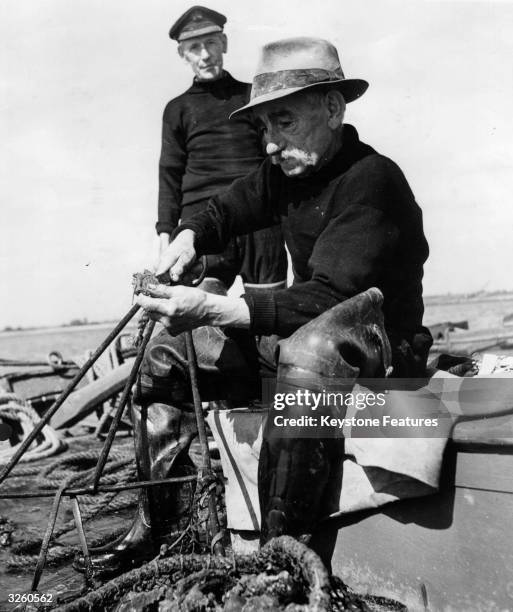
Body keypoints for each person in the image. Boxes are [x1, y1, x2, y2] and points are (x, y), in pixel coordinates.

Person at [77, 36, 432, 575]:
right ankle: (159, 530)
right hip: (303, 345)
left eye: (284, 122)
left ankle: (281, 555)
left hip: (378, 358)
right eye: (264, 128)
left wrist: (212, 309)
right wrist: (189, 237)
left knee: (310, 350)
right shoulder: (287, 172)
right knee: (167, 358)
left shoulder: (371, 180)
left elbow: (329, 297)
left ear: (333, 109)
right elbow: (223, 208)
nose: (269, 143)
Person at [156, 5, 287, 292]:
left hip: (258, 219)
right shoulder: (176, 110)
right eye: (194, 47)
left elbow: (276, 157)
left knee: (271, 315)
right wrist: (166, 239)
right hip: (202, 226)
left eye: (211, 43)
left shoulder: (252, 97)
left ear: (224, 44)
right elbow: (169, 174)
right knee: (203, 316)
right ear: (182, 54)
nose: (205, 55)